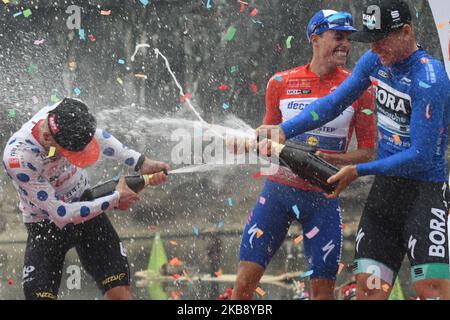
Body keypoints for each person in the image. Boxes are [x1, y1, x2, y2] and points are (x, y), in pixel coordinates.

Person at [257, 0, 450, 300]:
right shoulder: (375, 61)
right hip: (384, 195)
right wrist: (284, 129)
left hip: (424, 196)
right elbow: (333, 104)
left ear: (406, 32)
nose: (374, 49)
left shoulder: (430, 79)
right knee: (368, 292)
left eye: (380, 40)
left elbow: (420, 156)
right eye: (370, 41)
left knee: (433, 292)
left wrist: (358, 170)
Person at [230, 9, 376, 300]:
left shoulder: (360, 88)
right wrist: (249, 143)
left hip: (323, 200)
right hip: (277, 195)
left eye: (348, 39)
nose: (345, 45)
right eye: (338, 37)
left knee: (322, 295)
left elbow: (370, 152)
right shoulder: (280, 83)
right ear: (315, 39)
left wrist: (338, 160)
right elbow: (268, 139)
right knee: (243, 286)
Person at [2, 98, 170, 300]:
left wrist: (141, 162)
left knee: (121, 295)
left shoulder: (69, 110)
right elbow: (61, 214)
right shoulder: (19, 158)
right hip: (46, 226)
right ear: (47, 138)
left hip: (86, 208)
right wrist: (115, 199)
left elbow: (98, 136)